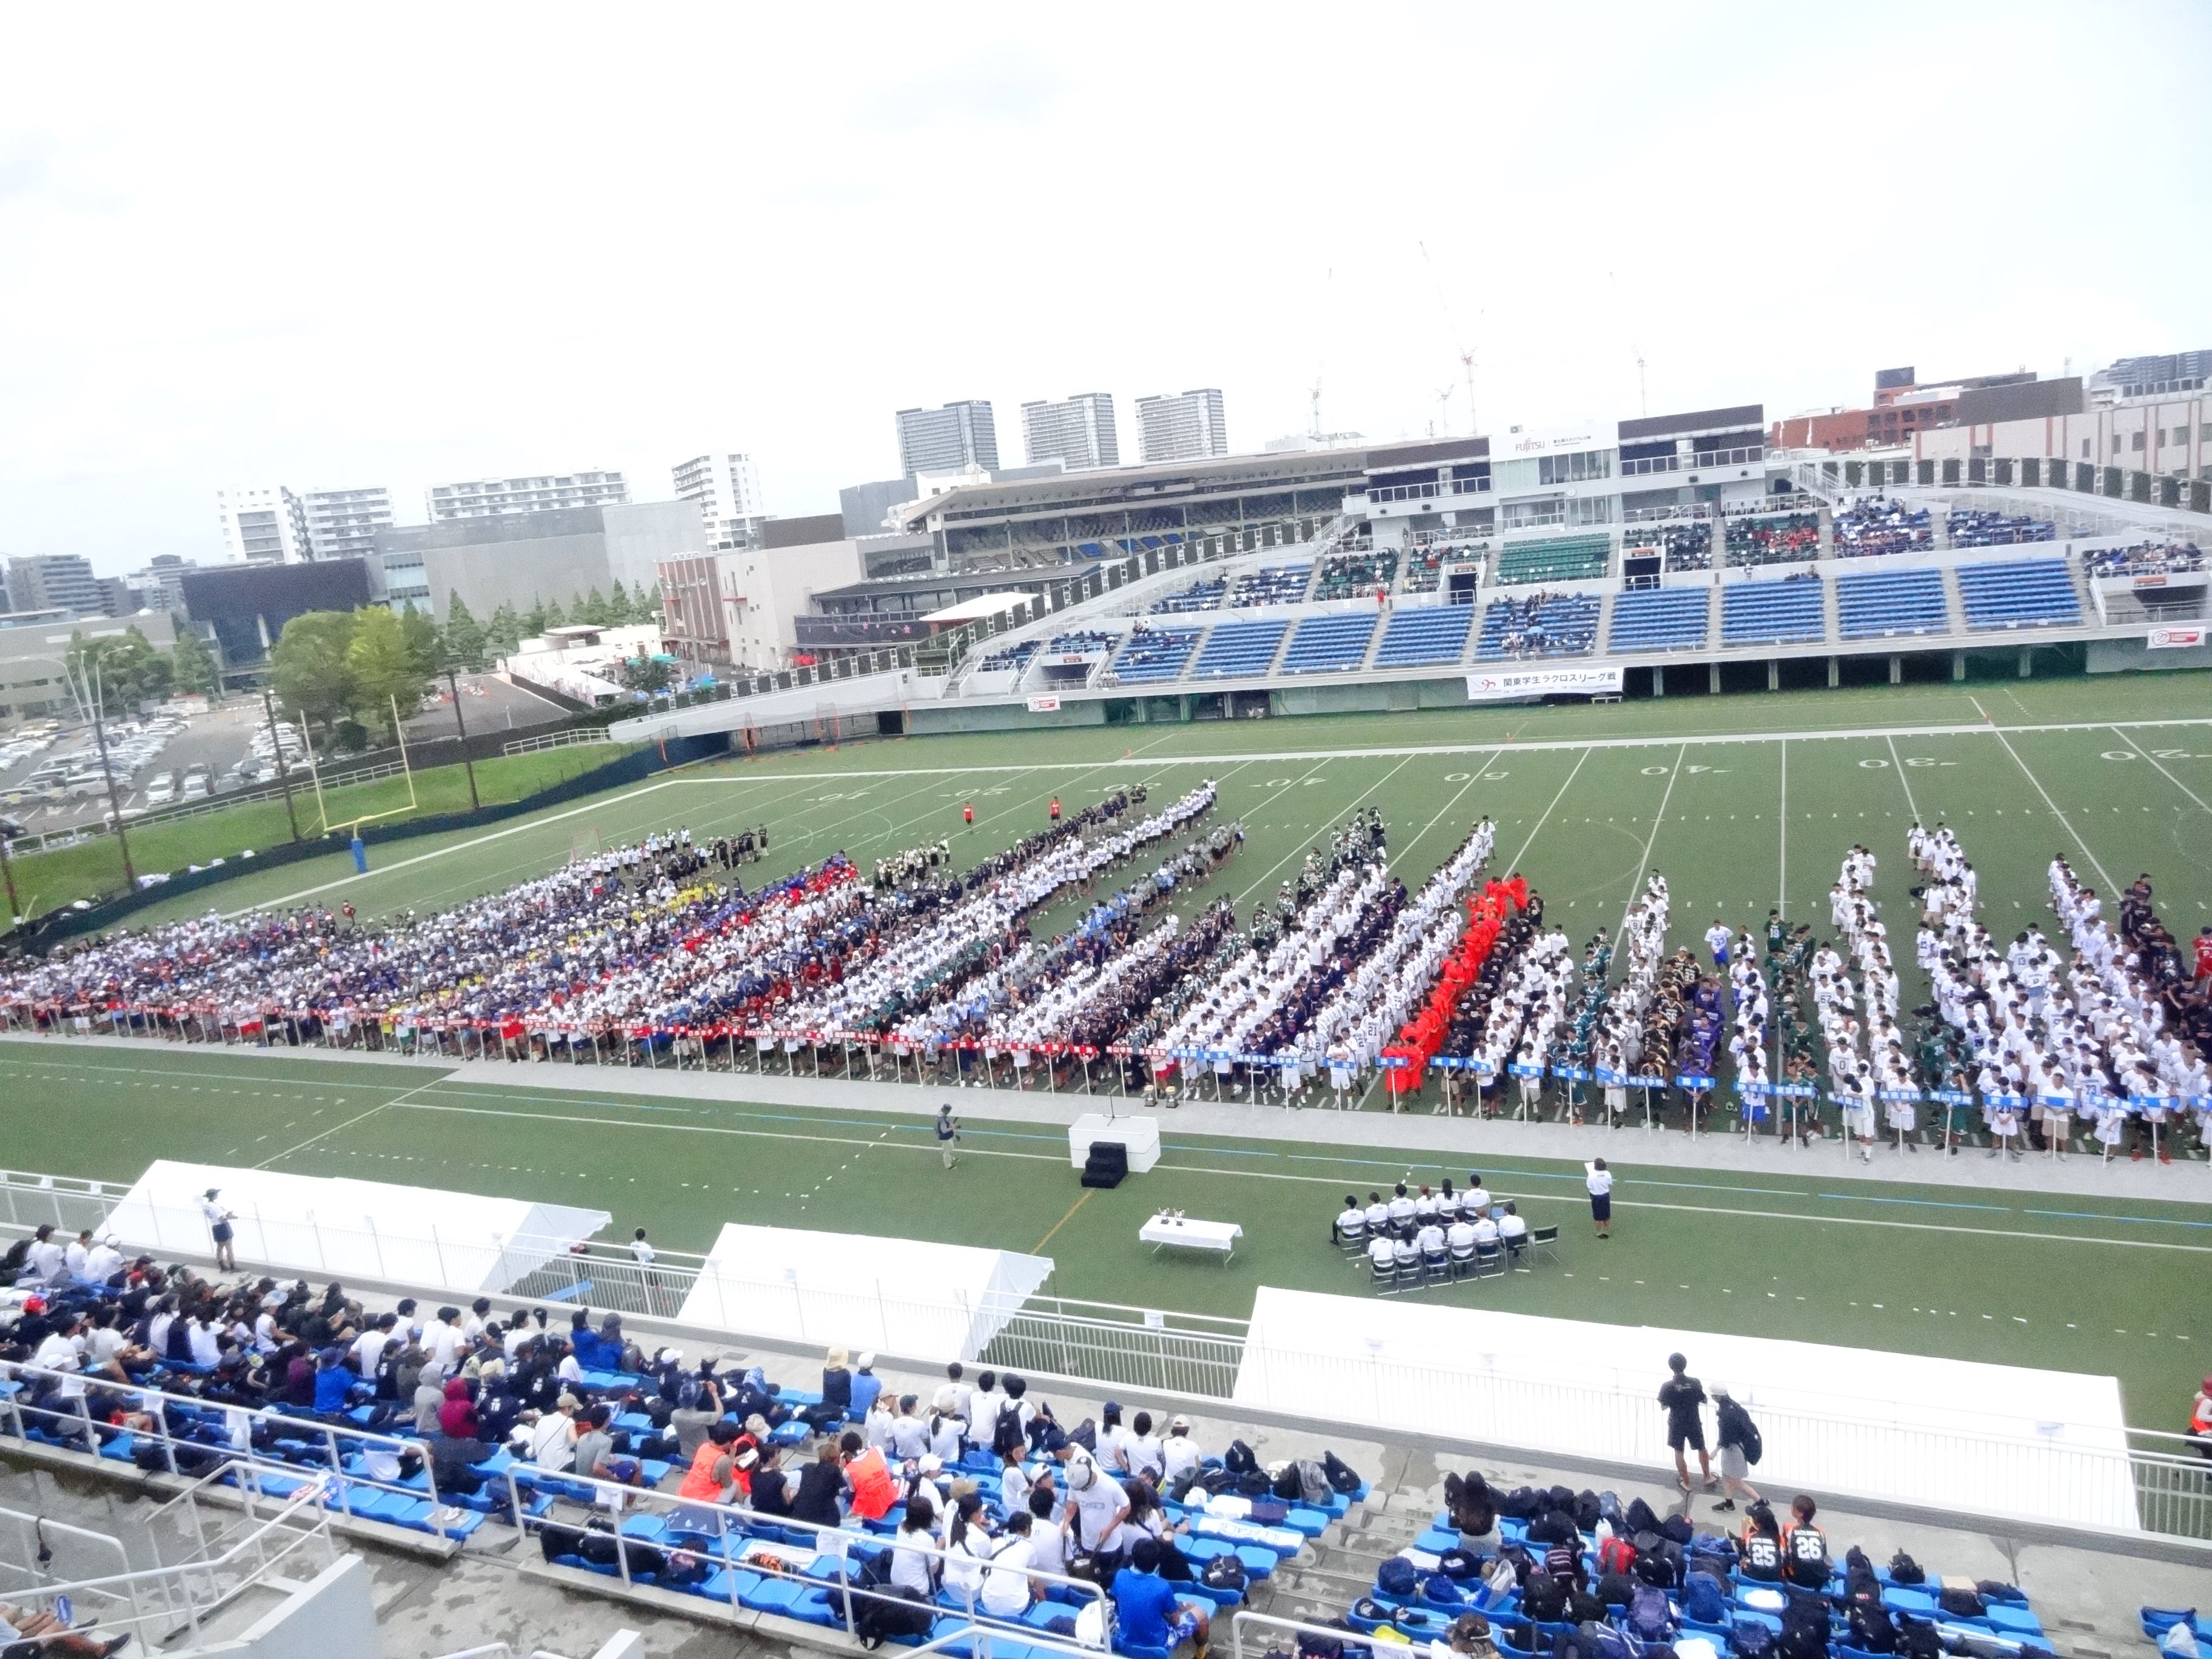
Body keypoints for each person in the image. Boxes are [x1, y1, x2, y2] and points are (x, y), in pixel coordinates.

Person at [1112, 1538, 1207, 1657]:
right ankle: (1200, 1653)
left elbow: (1118, 1604)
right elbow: (1176, 1621)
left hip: (1124, 1639)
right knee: (1201, 1612)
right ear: (1157, 1564)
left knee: (1186, 1606)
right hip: (1158, 1643)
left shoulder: (1120, 1575)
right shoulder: (1163, 1586)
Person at [1658, 1353, 1713, 1492]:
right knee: (1702, 1448)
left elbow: (1664, 1406)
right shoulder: (1695, 1382)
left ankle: (1687, 1483)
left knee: (1679, 1451)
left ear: (1671, 1367)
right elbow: (1704, 1400)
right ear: (1685, 1364)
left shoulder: (1667, 1387)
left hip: (1677, 1422)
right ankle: (1707, 1477)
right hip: (1693, 1419)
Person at [0, 1599, 130, 1657]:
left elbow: (17, 1630)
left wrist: (40, 1620)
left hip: (11, 1648)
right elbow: (21, 1638)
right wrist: (45, 1623)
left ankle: (73, 1634)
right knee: (55, 1628)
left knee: (52, 1627)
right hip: (15, 1652)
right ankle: (101, 1651)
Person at [1711, 1383, 1763, 1512]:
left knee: (1735, 1481)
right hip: (1737, 1448)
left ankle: (1759, 1501)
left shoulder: (1726, 1414)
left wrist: (1715, 1451)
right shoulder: (1734, 1407)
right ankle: (1729, 1503)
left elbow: (1726, 1437)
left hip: (1733, 1451)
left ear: (1717, 1397)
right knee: (1726, 1476)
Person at [980, 1509, 1041, 1617]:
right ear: (1026, 1529)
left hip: (988, 1603)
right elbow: (1032, 1578)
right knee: (1034, 1582)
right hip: (1016, 1606)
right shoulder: (1029, 1547)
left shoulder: (996, 1542)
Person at [1781, 1495, 1829, 1590]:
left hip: (1798, 1579)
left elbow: (1785, 1554)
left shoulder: (1789, 1529)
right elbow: (1824, 1556)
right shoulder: (1820, 1532)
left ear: (1799, 1513)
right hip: (1819, 1580)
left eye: (1793, 1507)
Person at [1738, 1501, 1784, 1581]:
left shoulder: (1749, 1538)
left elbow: (1743, 1551)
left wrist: (1744, 1529)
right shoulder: (1779, 1540)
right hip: (1774, 1580)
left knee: (1741, 1556)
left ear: (1757, 1524)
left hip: (1752, 1578)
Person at [202, 1188, 237, 1272]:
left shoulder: (206, 1206)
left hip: (215, 1227)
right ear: (214, 1195)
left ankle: (222, 1265)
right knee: (229, 1246)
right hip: (223, 1227)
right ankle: (232, 1264)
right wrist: (230, 1216)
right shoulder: (215, 1206)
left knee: (220, 1246)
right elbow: (222, 1219)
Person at [1584, 1159, 1614, 1239]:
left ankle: (1599, 1232)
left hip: (1596, 1197)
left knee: (1598, 1217)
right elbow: (1610, 1183)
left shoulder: (1592, 1175)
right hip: (1605, 1196)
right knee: (1607, 1215)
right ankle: (1607, 1231)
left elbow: (1589, 1186)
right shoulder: (1607, 1174)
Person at [937, 1104, 960, 1170]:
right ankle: (948, 1165)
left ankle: (951, 1158)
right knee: (946, 1151)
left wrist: (954, 1130)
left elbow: (948, 1125)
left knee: (951, 1147)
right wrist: (954, 1127)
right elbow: (944, 1130)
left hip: (947, 1136)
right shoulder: (942, 1119)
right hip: (944, 1137)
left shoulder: (943, 1116)